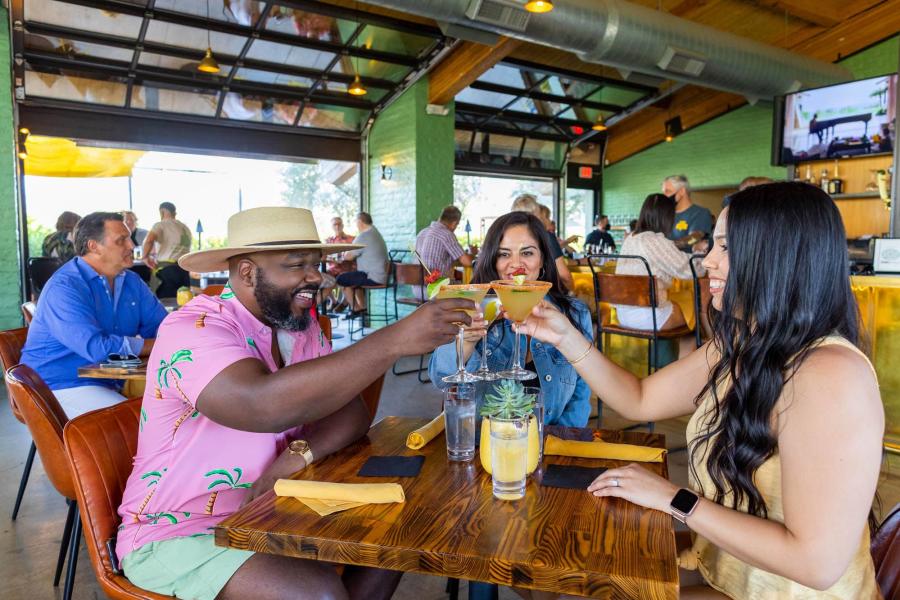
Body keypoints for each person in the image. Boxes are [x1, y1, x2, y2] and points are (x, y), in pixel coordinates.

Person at [515, 182, 882, 599]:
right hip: (720, 570)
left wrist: (674, 499)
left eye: (725, 247)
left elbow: (816, 564)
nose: (708, 260)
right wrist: (565, 336)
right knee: (548, 572)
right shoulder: (742, 342)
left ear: (777, 256)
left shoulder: (830, 375)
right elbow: (639, 398)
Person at [116, 206, 472, 600]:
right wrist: (394, 340)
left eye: (315, 264)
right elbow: (260, 405)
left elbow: (351, 411)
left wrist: (295, 457)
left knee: (401, 526)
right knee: (320, 595)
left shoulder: (297, 325)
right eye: (296, 265)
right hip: (182, 530)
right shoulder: (194, 327)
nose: (315, 276)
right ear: (247, 272)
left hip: (276, 507)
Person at [429, 211, 593, 427]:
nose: (516, 265)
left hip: (550, 441)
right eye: (504, 254)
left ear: (543, 260)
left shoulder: (575, 313)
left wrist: (558, 440)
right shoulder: (474, 308)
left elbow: (581, 395)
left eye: (527, 252)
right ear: (492, 261)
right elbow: (439, 378)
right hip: (485, 441)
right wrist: (465, 343)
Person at [21, 212, 167, 417]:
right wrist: (156, 345)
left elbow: (163, 327)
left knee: (181, 407)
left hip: (110, 379)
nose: (132, 245)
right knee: (138, 421)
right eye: (121, 240)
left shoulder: (131, 281)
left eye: (129, 238)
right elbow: (98, 348)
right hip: (57, 385)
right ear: (94, 246)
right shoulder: (64, 287)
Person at [615, 193, 702, 359]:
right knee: (693, 319)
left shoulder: (630, 238)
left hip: (623, 315)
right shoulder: (654, 240)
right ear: (667, 217)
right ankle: (681, 369)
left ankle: (662, 363)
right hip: (650, 317)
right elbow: (690, 269)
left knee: (679, 302)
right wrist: (700, 255)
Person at [511, 194, 574, 292]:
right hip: (544, 294)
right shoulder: (546, 237)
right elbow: (565, 277)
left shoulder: (509, 238)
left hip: (516, 291)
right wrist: (571, 294)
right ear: (536, 215)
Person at [335, 212, 388, 316]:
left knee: (341, 279)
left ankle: (355, 309)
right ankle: (361, 307)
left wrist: (344, 254)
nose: (356, 225)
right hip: (381, 275)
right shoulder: (375, 232)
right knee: (353, 278)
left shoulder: (364, 236)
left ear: (360, 222)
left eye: (356, 222)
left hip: (372, 277)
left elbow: (349, 257)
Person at [143, 201, 193, 298]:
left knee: (166, 302)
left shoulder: (161, 225)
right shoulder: (185, 228)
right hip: (184, 271)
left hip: (168, 271)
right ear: (174, 213)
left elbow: (149, 240)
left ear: (162, 212)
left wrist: (145, 257)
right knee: (183, 301)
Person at [416, 205, 474, 278]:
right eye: (457, 224)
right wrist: (473, 253)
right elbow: (467, 262)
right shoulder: (446, 234)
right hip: (437, 284)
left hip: (418, 283)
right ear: (454, 223)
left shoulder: (421, 233)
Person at [663, 175, 713, 253]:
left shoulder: (700, 213)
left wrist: (669, 246)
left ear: (682, 191)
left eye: (668, 191)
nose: (664, 196)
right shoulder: (665, 214)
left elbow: (694, 238)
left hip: (685, 259)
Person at [322, 216, 355, 311]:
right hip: (333, 269)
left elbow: (356, 255)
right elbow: (323, 257)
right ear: (332, 226)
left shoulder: (351, 239)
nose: (337, 226)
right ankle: (334, 301)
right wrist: (331, 260)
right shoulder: (328, 241)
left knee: (345, 278)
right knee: (320, 278)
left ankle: (346, 303)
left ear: (343, 225)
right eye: (334, 224)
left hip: (347, 269)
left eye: (339, 224)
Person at [123, 210, 152, 283]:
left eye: (131, 220)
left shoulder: (145, 233)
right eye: (126, 220)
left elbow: (147, 253)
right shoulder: (118, 235)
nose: (128, 222)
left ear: (136, 221)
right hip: (125, 267)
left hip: (142, 267)